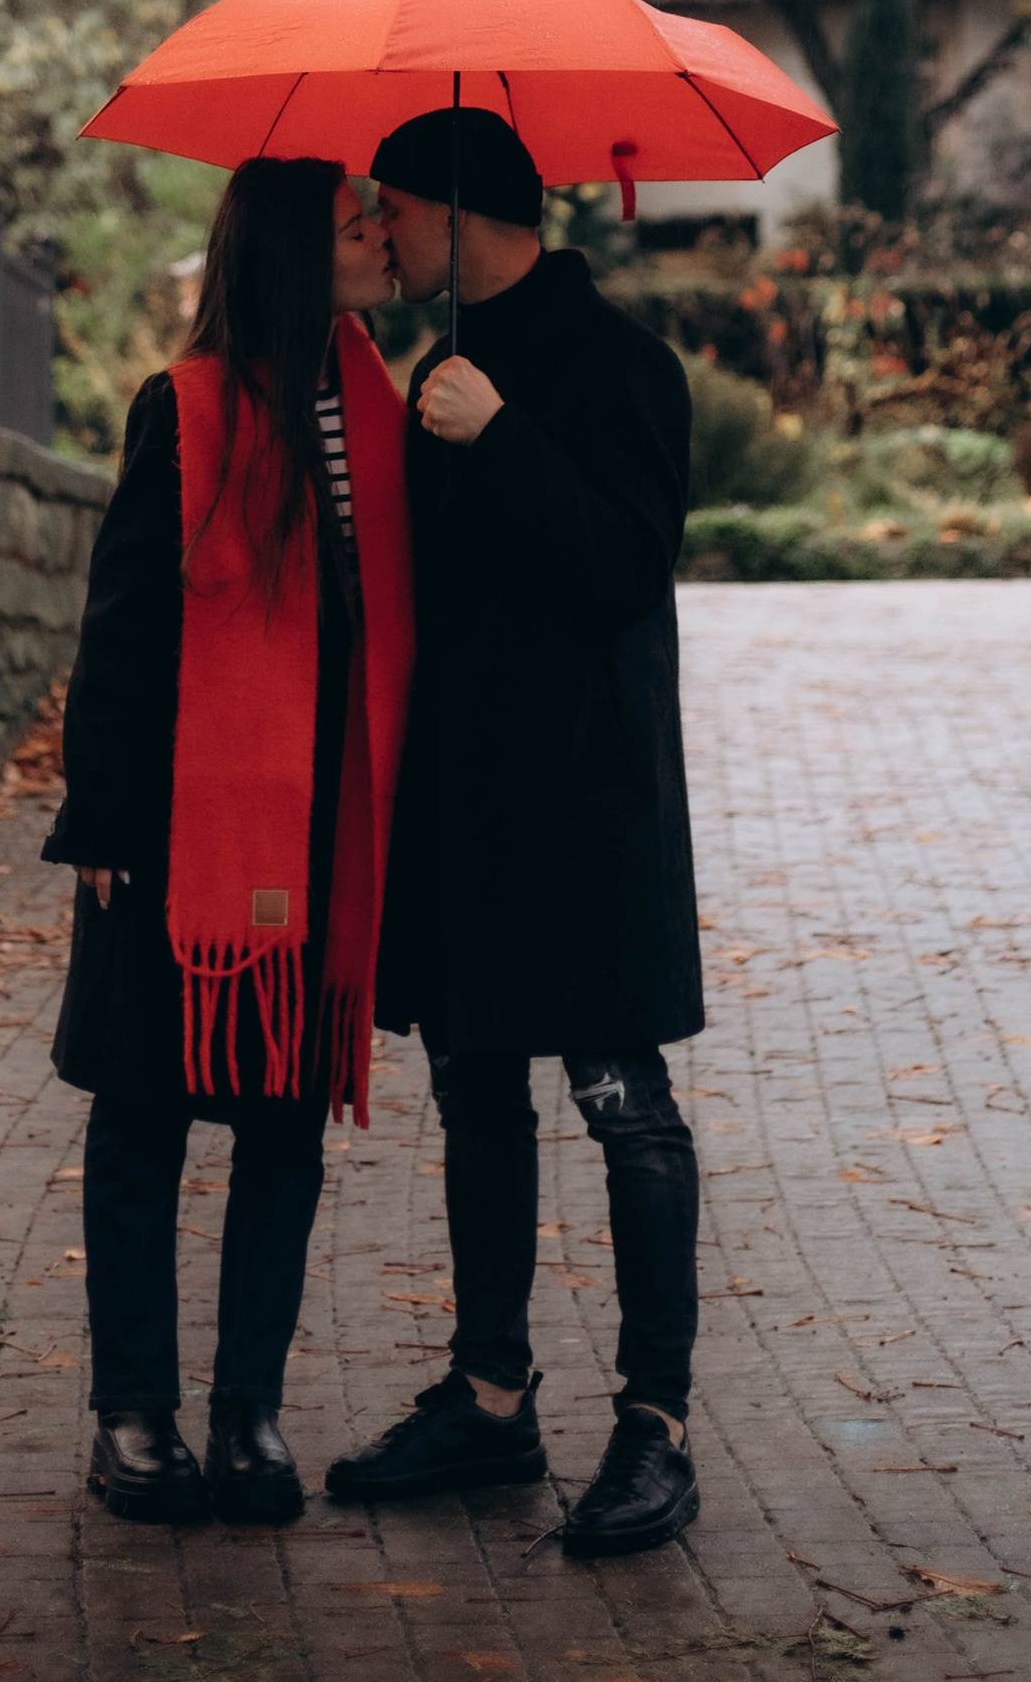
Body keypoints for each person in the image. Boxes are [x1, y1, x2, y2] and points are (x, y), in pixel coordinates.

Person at [323, 106, 703, 1560]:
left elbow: (626, 567)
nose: (384, 237)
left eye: (394, 213)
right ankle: (492, 1399)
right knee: (478, 1099)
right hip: (467, 810)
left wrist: (508, 438)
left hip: (589, 809)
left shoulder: (623, 368)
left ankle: (654, 1428)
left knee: (622, 1102)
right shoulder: (433, 368)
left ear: (456, 214)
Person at [44, 158, 412, 1528]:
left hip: (323, 821)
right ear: (291, 253)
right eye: (358, 221)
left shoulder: (381, 405)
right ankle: (132, 1416)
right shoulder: (185, 410)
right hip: (179, 823)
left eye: (380, 218)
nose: (383, 237)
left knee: (283, 1128)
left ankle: (248, 1413)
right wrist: (101, 813)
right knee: (141, 1123)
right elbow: (123, 624)